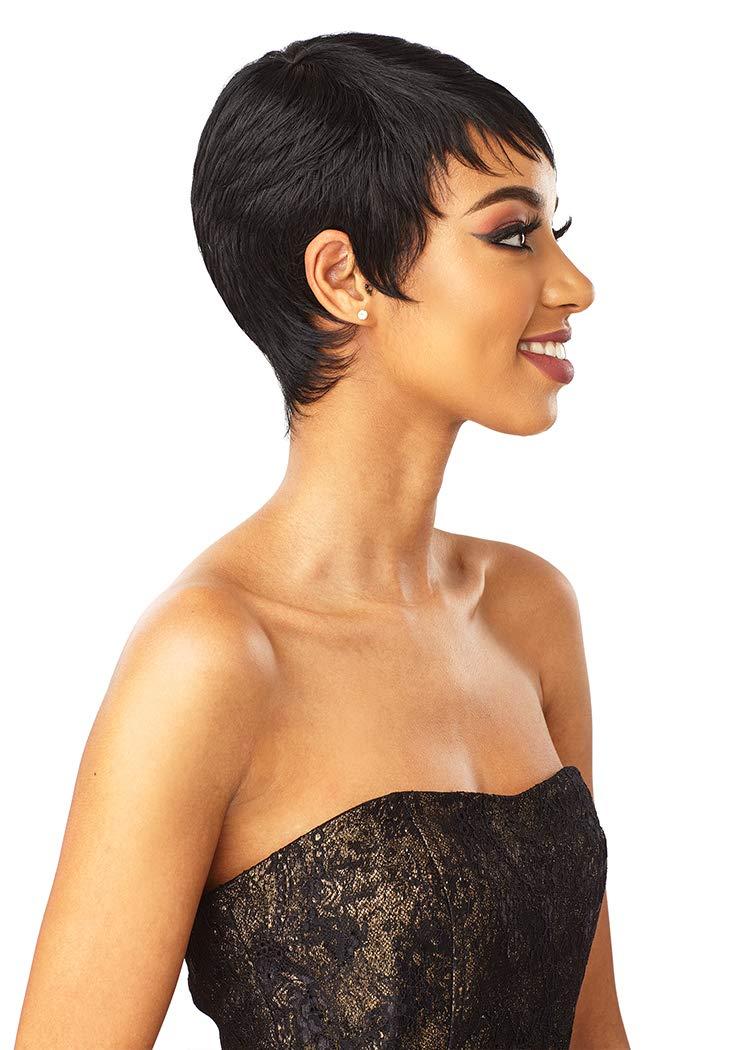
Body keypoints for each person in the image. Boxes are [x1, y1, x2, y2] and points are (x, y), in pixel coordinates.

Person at [14, 31, 630, 1050]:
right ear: (344, 277)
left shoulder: (530, 611)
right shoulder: (211, 660)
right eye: (516, 234)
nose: (575, 286)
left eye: (554, 231)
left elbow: (595, 1031)